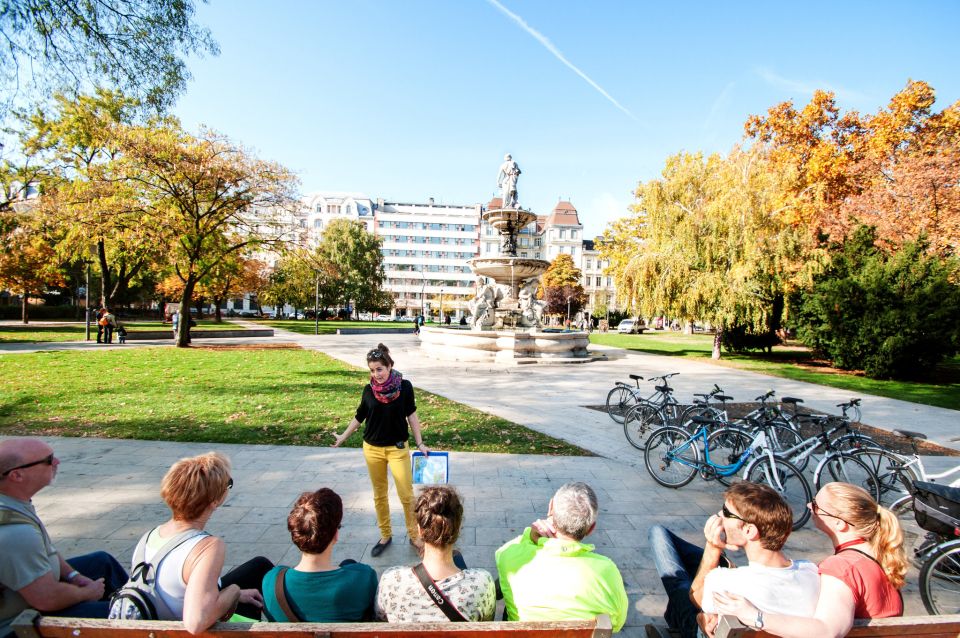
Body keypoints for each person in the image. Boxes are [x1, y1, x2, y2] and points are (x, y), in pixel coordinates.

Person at [711, 483, 906, 638]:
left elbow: (828, 631)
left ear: (839, 523)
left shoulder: (842, 568)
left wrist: (755, 616)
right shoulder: (881, 556)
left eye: (816, 505)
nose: (808, 506)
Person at [647, 481, 819, 638]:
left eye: (726, 512)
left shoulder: (725, 581)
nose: (719, 515)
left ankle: (674, 623)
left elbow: (695, 598)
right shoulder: (810, 572)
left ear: (749, 531)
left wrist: (712, 547)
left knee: (660, 539)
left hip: (703, 629)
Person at [129, 452, 272, 633]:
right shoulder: (208, 547)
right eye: (228, 484)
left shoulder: (148, 537)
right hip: (180, 632)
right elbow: (196, 622)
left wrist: (234, 595)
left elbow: (176, 594)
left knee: (258, 567)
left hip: (155, 626)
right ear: (214, 500)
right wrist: (234, 591)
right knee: (260, 572)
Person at [0, 438, 128, 638]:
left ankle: (137, 604)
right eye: (48, 460)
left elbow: (46, 548)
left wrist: (73, 576)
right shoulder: (15, 533)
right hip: (17, 624)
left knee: (103, 563)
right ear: (17, 475)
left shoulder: (12, 503)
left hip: (31, 597)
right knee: (126, 615)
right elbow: (46, 598)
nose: (57, 462)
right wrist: (87, 593)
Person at [332, 344, 429, 557]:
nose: (376, 374)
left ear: (390, 366)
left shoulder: (405, 387)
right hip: (372, 449)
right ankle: (385, 534)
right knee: (380, 495)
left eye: (379, 369)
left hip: (397, 449)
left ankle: (415, 536)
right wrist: (343, 436)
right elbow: (359, 417)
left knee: (406, 495)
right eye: (372, 370)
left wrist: (420, 443)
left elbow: (411, 415)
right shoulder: (369, 390)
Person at [495, 482, 628, 632]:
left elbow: (503, 552)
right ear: (591, 528)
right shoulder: (607, 570)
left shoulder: (509, 555)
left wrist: (529, 537)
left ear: (550, 507)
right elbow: (617, 623)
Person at [376, 486, 495, 622]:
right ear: (458, 528)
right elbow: (486, 622)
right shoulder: (482, 584)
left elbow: (379, 619)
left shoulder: (391, 581)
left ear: (420, 530)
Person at [261, 488, 377, 622]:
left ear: (296, 534)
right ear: (335, 535)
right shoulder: (363, 578)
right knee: (349, 564)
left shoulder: (272, 582)